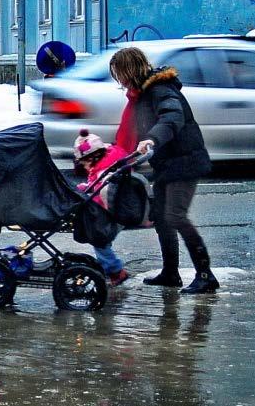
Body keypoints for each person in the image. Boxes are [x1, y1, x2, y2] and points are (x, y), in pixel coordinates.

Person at [109, 47, 219, 294]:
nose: (120, 81)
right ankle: (171, 273)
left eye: (120, 74)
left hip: (185, 160)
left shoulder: (161, 90)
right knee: (161, 218)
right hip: (167, 163)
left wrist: (152, 140)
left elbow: (171, 118)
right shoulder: (142, 94)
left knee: (175, 216)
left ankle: (205, 275)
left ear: (130, 70)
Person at [73, 129, 129, 287]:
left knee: (99, 240)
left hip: (108, 213)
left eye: (83, 163)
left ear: (92, 157)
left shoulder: (103, 172)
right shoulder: (111, 163)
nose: (83, 166)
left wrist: (83, 191)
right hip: (118, 210)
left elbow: (99, 196)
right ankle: (110, 269)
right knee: (103, 242)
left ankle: (116, 271)